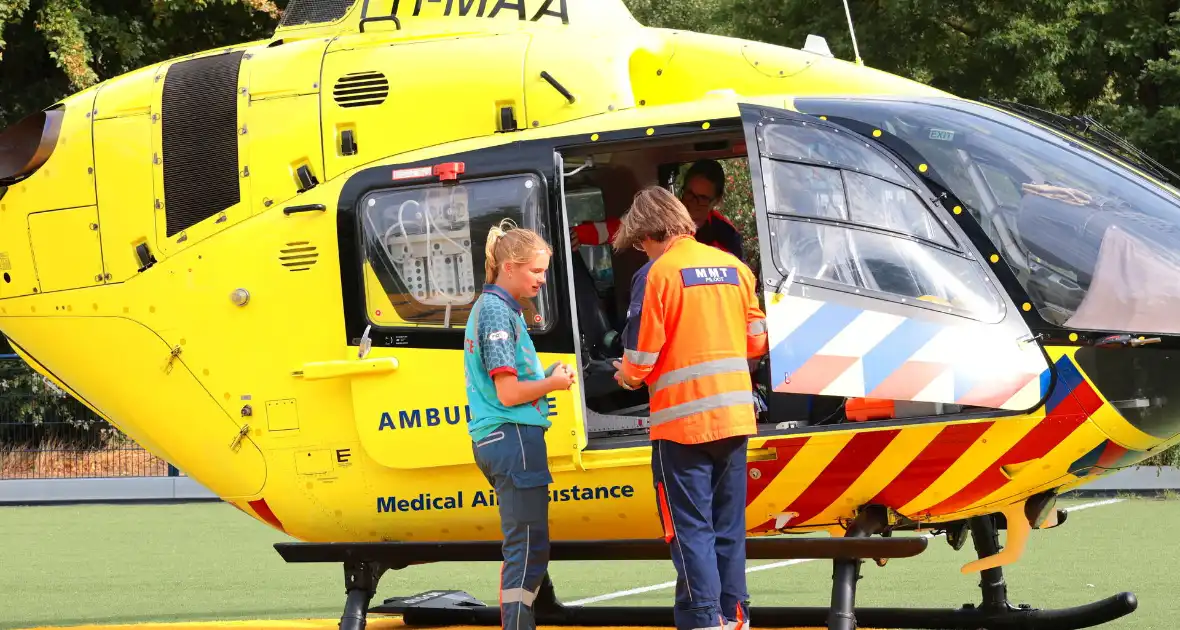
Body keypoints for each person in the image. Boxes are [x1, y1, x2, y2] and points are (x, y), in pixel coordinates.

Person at [610, 187, 769, 630]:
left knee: (689, 530)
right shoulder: (735, 268)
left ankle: (705, 619)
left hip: (682, 425)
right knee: (728, 528)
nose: (641, 249)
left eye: (640, 242)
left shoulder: (656, 274)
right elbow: (756, 339)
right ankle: (735, 615)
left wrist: (622, 375)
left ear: (648, 233)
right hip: (735, 418)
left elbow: (639, 361)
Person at [463, 219, 577, 630]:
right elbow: (509, 394)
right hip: (512, 438)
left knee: (526, 545)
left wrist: (545, 376)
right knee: (527, 548)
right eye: (536, 271)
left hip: (504, 437)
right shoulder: (496, 311)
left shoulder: (497, 308)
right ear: (508, 266)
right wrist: (554, 383)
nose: (542, 281)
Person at [569, 160, 746, 262]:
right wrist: (579, 235)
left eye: (702, 199)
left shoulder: (727, 235)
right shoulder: (662, 214)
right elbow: (619, 228)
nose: (692, 202)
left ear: (717, 200)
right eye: (689, 194)